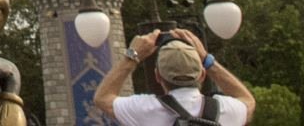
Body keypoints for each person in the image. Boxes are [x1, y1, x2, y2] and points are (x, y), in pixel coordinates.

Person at [94, 28, 255, 125]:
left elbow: (103, 98)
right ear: (202, 75)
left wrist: (132, 57)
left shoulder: (145, 109)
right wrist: (207, 60)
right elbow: (248, 101)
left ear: (157, 76)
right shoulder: (227, 109)